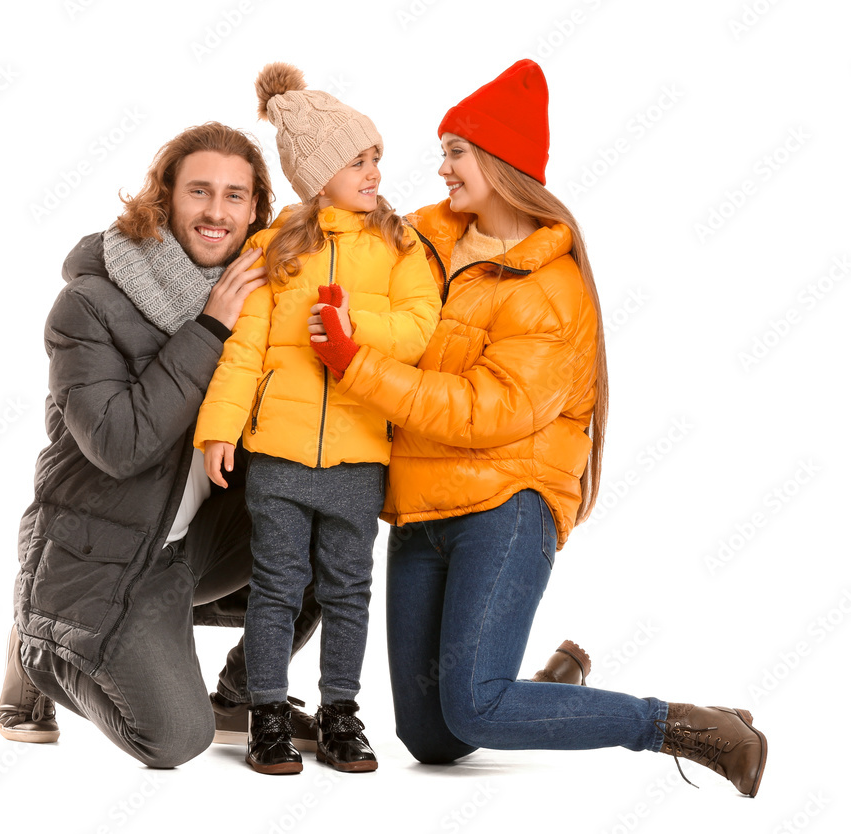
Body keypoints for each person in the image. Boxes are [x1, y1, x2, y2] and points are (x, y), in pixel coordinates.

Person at [308, 59, 768, 796]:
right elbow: (332, 223)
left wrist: (356, 367)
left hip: (506, 504)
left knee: (478, 708)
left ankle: (685, 726)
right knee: (430, 738)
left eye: (456, 150)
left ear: (499, 162)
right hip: (422, 503)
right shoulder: (423, 243)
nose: (443, 167)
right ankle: (550, 686)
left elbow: (486, 413)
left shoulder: (550, 291)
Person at [0, 122, 325, 767]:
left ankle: (238, 694)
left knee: (329, 512)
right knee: (174, 739)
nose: (216, 212)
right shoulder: (88, 304)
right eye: (199, 191)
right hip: (104, 554)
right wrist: (207, 329)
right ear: (165, 199)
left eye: (236, 196)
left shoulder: (265, 302)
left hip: (191, 547)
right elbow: (120, 445)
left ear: (257, 210)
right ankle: (42, 646)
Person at [193, 63, 442, 775]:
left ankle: (340, 713)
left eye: (375, 160)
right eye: (357, 160)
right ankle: (264, 712)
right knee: (274, 587)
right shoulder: (274, 249)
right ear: (319, 172)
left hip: (361, 455)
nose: (373, 172)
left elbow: (420, 324)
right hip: (279, 455)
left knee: (345, 590)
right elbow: (242, 350)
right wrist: (220, 428)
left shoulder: (398, 245)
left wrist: (350, 320)